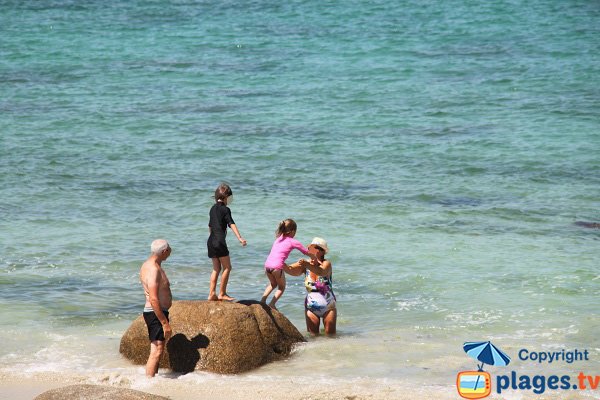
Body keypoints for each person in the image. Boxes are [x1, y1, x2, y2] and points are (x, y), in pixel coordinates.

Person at [286, 237, 336, 336]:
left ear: (322, 252)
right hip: (311, 306)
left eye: (315, 248)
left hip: (328, 306)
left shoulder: (327, 264)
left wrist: (307, 264)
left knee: (331, 337)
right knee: (314, 338)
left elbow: (321, 272)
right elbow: (290, 270)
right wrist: (278, 264)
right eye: (310, 248)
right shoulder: (305, 264)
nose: (311, 250)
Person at [207, 183, 246, 301]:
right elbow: (231, 224)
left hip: (211, 241)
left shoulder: (212, 208)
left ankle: (211, 293)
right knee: (227, 267)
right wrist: (239, 238)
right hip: (219, 242)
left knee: (216, 269)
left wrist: (213, 238)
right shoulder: (226, 209)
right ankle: (222, 293)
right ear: (225, 197)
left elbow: (210, 226)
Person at [140, 239, 173, 377]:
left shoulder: (148, 264)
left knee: (157, 348)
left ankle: (152, 379)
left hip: (155, 312)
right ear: (164, 251)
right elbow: (153, 298)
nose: (170, 251)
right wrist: (164, 323)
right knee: (157, 350)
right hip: (155, 313)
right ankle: (148, 383)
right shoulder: (154, 269)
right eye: (169, 249)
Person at [261, 219, 310, 309]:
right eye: (295, 232)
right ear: (292, 231)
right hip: (277, 267)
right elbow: (305, 252)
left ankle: (262, 301)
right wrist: (314, 256)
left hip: (267, 266)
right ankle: (272, 304)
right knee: (281, 287)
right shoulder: (293, 241)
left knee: (272, 284)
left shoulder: (278, 238)